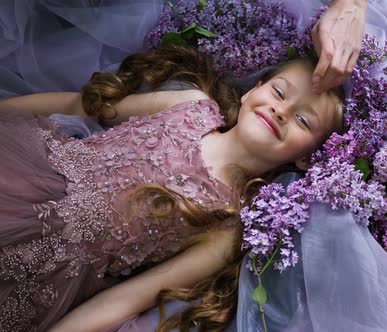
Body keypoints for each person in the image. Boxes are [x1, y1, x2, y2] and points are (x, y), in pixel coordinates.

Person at [0, 42, 344, 332]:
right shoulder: (189, 106)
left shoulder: (226, 226)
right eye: (279, 91)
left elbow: (126, 299)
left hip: (44, 269)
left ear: (307, 159)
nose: (281, 110)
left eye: (303, 120)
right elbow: (78, 105)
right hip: (26, 172)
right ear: (253, 90)